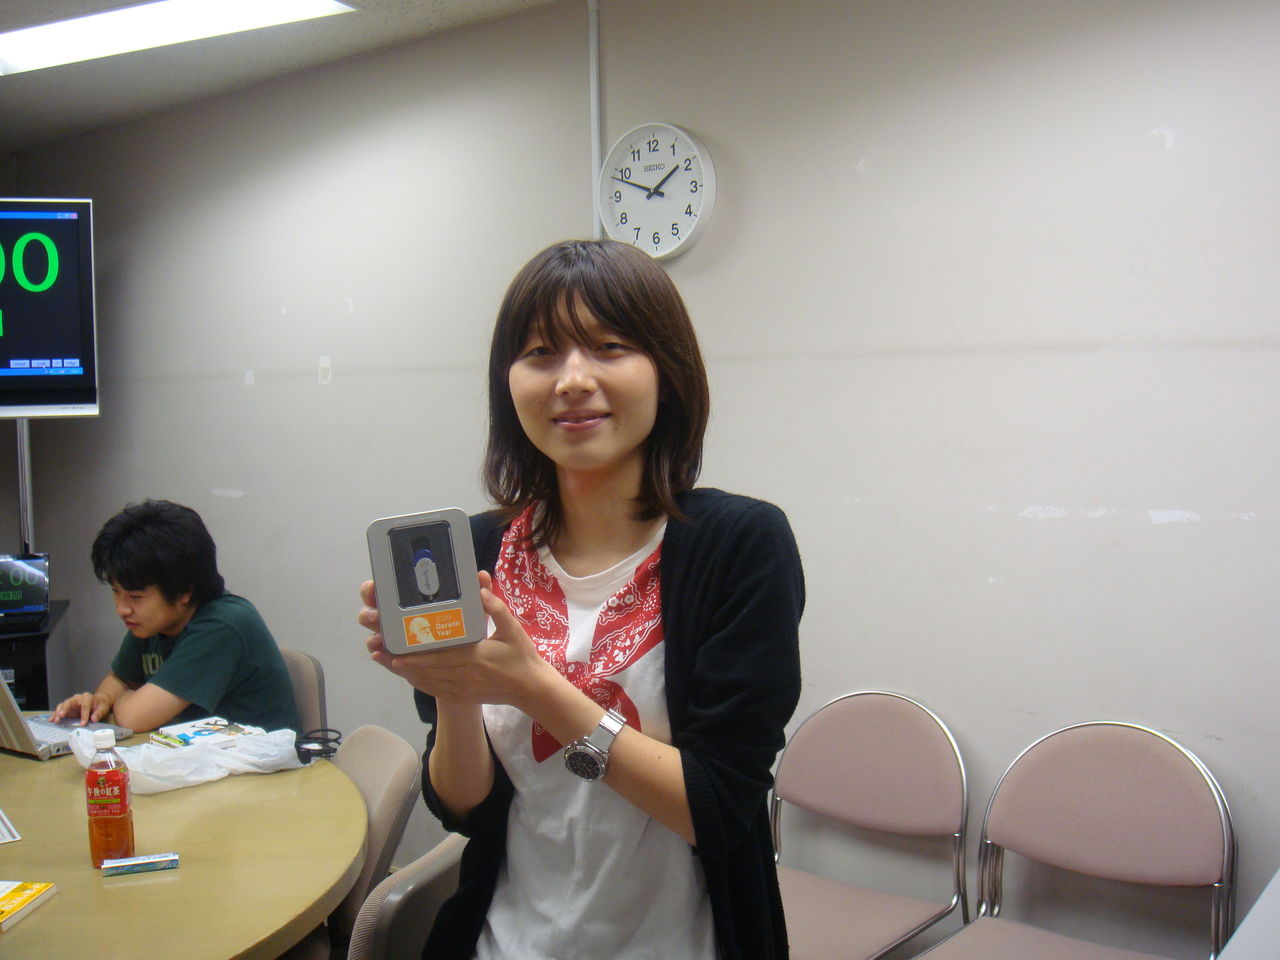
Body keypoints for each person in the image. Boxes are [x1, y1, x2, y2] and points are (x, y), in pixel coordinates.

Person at [359, 239, 805, 960]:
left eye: (608, 346)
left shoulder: (739, 545)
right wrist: (451, 687)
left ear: (667, 372)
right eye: (540, 353)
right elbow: (463, 806)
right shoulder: (478, 548)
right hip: (504, 941)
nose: (572, 379)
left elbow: (720, 809)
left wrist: (531, 687)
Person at [51, 499, 299, 734]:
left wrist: (120, 700)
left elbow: (134, 718)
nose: (122, 609)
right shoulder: (151, 623)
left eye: (135, 596)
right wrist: (100, 701)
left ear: (184, 591)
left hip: (256, 761)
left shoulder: (223, 625)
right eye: (116, 592)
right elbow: (119, 678)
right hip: (194, 755)